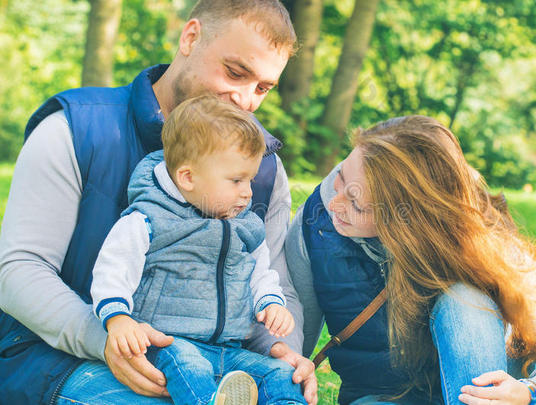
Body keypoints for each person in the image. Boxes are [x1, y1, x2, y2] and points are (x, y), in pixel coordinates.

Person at [0, 1, 317, 404]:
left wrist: (281, 347)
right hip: (55, 359)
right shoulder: (75, 128)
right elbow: (20, 271)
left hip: (214, 360)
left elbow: (275, 284)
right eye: (236, 73)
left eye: (263, 88)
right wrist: (111, 340)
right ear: (190, 38)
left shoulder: (265, 170)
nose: (246, 100)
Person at [285, 116, 536, 405]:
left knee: (464, 297)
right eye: (341, 177)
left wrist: (532, 392)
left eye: (358, 204)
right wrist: (288, 364)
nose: (335, 203)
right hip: (381, 395)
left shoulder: (481, 236)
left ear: (408, 220)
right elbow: (294, 338)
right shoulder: (316, 226)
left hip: (476, 385)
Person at [90, 94, 306, 405]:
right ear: (188, 177)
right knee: (187, 367)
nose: (247, 193)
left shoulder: (245, 225)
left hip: (229, 349)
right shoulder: (148, 219)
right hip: (169, 343)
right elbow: (114, 269)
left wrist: (271, 302)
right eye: (236, 180)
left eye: (250, 180)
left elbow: (261, 272)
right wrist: (118, 319)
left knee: (279, 374)